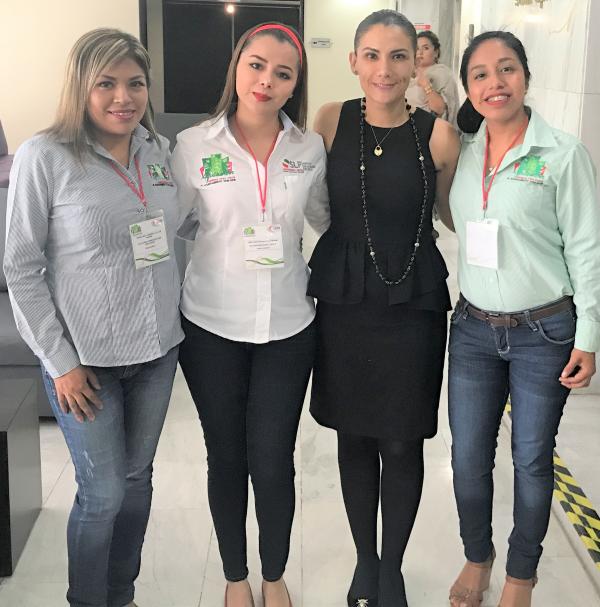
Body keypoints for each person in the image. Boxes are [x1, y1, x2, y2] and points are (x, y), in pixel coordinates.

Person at [4, 28, 183, 607]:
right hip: (85, 364)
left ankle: (121, 594)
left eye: (135, 83)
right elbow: (21, 269)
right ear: (80, 86)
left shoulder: (156, 150)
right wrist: (60, 363)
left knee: (136, 482)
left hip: (157, 351)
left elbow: (185, 225)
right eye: (106, 83)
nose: (123, 97)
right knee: (102, 494)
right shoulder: (45, 156)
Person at [171, 23, 329, 607]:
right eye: (256, 65)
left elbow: (326, 221)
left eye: (282, 73)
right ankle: (236, 577)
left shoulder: (308, 149)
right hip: (210, 326)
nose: (266, 81)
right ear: (237, 66)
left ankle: (274, 574)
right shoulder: (193, 145)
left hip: (288, 327)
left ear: (295, 84)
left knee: (274, 459)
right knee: (227, 457)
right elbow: (173, 223)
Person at [307, 10, 459, 607]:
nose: (384, 69)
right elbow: (308, 199)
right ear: (353, 61)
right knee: (353, 437)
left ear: (416, 62)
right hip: (346, 301)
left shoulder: (437, 135)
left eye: (398, 55)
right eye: (371, 55)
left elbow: (454, 214)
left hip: (412, 302)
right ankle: (364, 562)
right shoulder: (329, 120)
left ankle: (391, 566)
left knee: (401, 441)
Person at [447, 31, 599, 607]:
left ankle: (520, 576)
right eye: (481, 74)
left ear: (526, 77)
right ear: (468, 87)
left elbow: (587, 249)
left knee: (532, 460)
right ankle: (477, 557)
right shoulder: (462, 152)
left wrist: (588, 336)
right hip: (473, 329)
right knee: (468, 458)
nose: (495, 83)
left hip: (544, 331)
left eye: (507, 69)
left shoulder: (562, 154)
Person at [405, 30, 459, 128]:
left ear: (436, 52)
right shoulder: (407, 73)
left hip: (429, 130)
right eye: (417, 48)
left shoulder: (442, 74)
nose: (420, 52)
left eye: (426, 48)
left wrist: (426, 85)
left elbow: (440, 110)